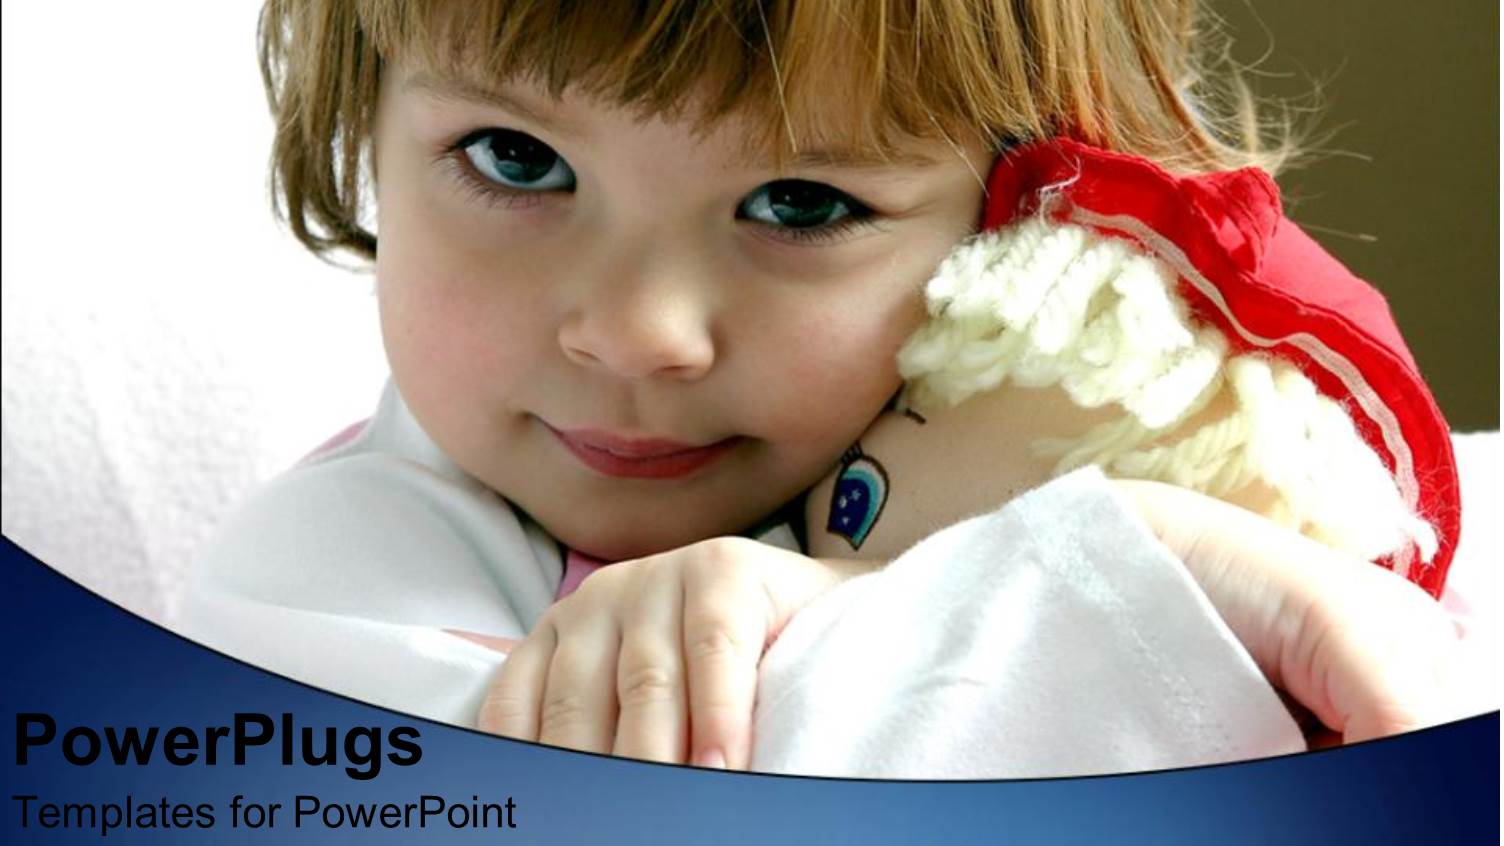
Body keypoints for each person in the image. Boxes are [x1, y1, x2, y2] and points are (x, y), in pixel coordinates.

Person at [184, 0, 1468, 774]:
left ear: (1017, 223)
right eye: (515, 158)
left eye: (799, 202)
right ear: (363, 129)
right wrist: (1161, 572)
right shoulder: (320, 578)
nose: (637, 334)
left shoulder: (1013, 456)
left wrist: (839, 595)